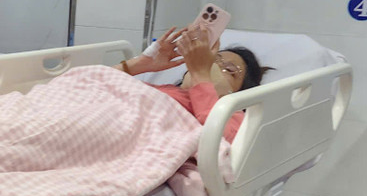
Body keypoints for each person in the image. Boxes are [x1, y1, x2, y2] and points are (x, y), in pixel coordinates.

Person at [115, 26, 271, 141]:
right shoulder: (164, 90)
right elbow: (101, 82)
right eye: (212, 59)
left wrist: (201, 74)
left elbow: (218, 142)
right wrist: (140, 64)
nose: (213, 65)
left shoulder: (232, 116)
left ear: (238, 92)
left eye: (229, 69)